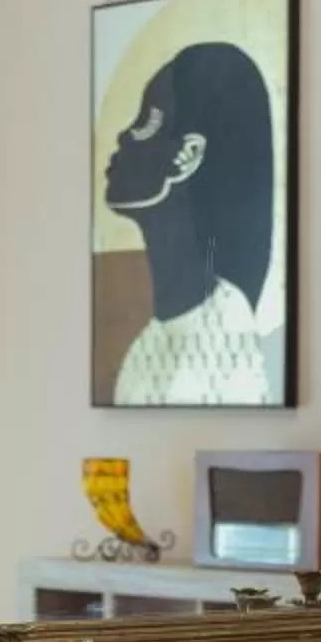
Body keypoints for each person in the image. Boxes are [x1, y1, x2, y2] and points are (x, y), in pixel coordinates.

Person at [103, 41, 276, 405]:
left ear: (187, 155)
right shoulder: (150, 343)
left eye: (145, 121)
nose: (124, 136)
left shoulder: (225, 340)